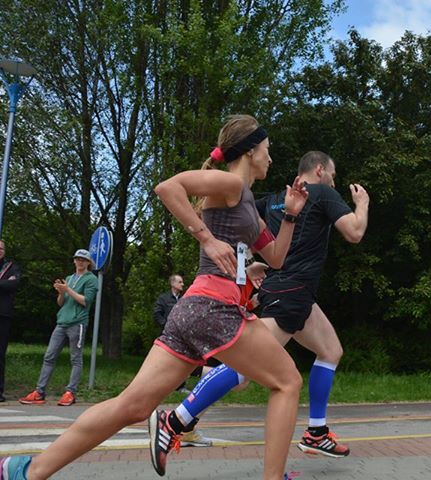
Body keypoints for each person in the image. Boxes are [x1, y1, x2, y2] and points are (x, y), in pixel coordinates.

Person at [1, 114, 307, 480]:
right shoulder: (230, 183)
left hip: (193, 311)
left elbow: (276, 257)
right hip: (214, 309)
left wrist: (291, 216)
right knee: (288, 382)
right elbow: (168, 188)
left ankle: (28, 470)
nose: (270, 158)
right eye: (267, 150)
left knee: (132, 406)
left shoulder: (248, 206)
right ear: (251, 150)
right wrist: (207, 239)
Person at [150, 150, 369, 469]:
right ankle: (176, 420)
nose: (334, 183)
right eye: (333, 176)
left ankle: (316, 432)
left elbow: (243, 232)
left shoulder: (274, 200)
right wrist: (362, 204)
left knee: (330, 350)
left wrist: (246, 266)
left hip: (293, 294)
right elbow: (354, 232)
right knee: (244, 368)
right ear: (320, 171)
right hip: (290, 294)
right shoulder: (322, 193)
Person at [19, 249, 98, 407]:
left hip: (77, 322)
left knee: (75, 358)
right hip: (62, 322)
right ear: (74, 261)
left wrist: (67, 289)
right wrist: (61, 292)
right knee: (49, 356)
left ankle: (70, 393)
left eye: (83, 259)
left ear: (88, 263)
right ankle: (39, 392)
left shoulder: (91, 279)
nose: (80, 262)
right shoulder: (69, 278)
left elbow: (85, 301)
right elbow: (61, 303)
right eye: (78, 259)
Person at [0, 240, 21, 403]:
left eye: (1, 248)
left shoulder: (12, 267)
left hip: (3, 315)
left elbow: (13, 284)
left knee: (0, 354)